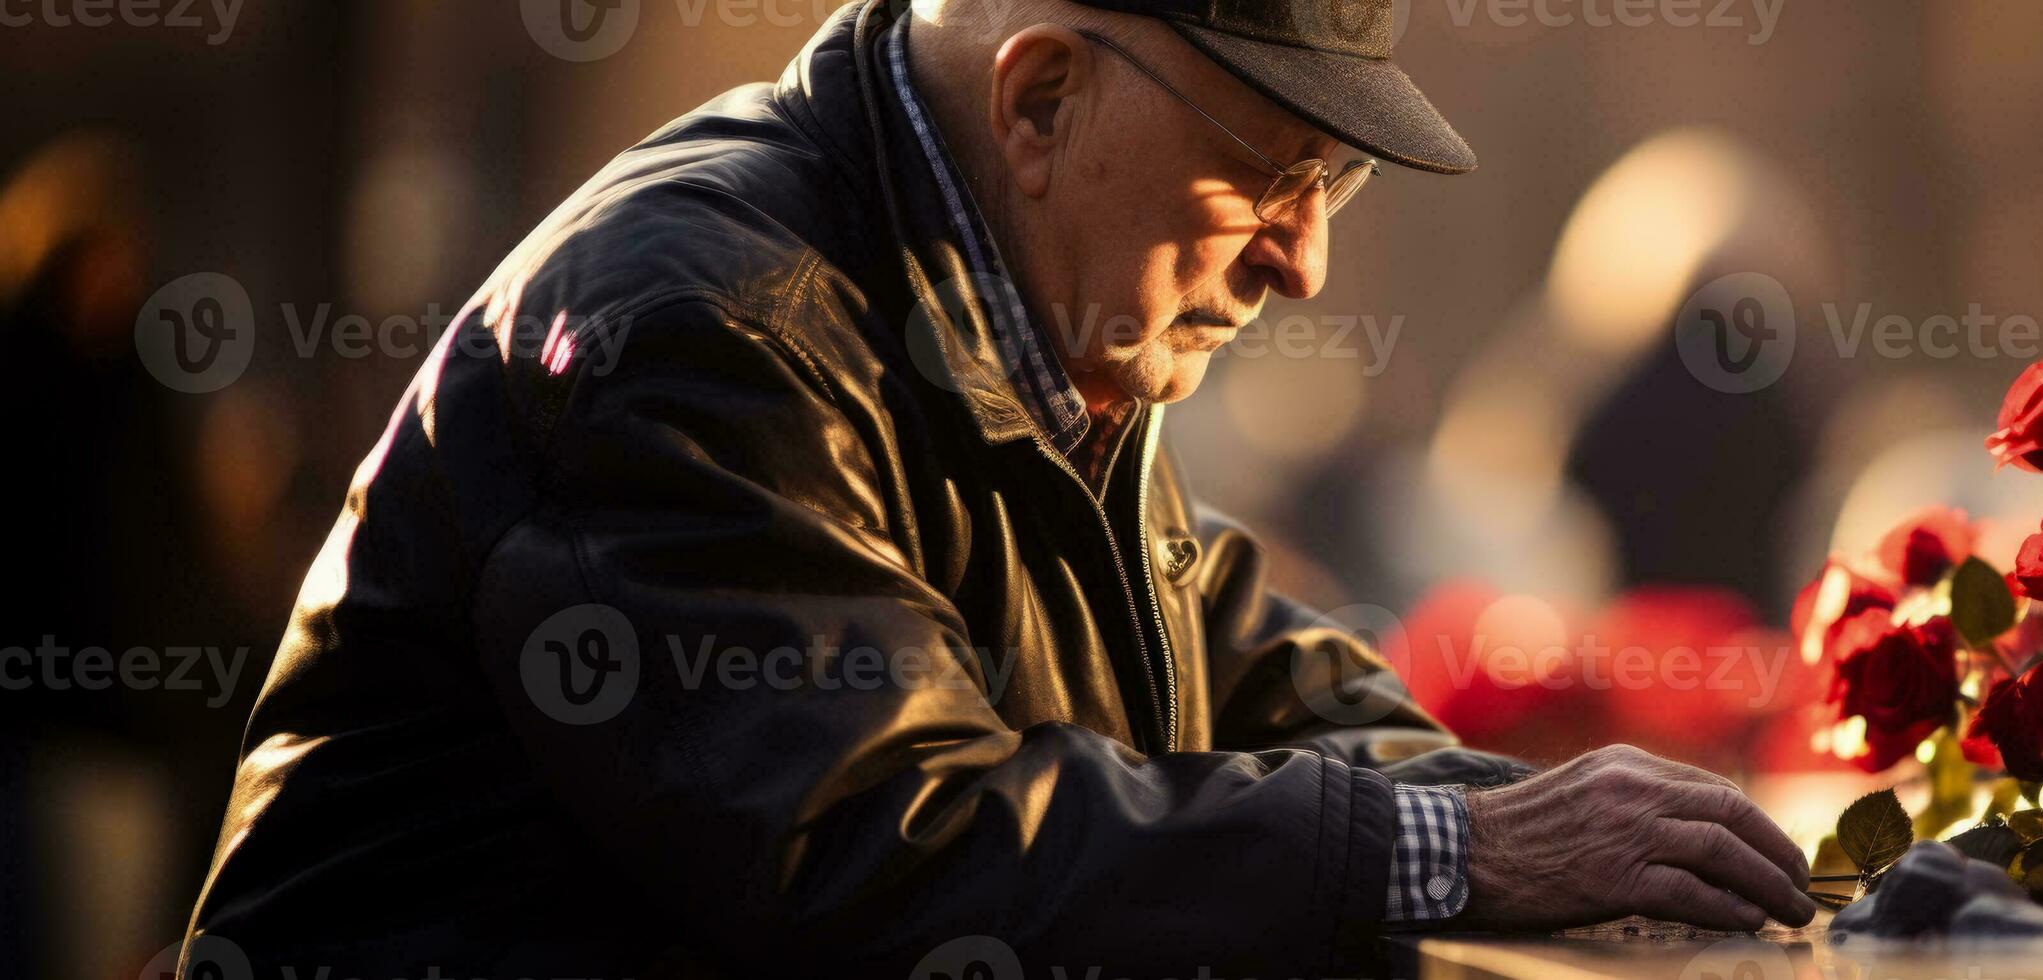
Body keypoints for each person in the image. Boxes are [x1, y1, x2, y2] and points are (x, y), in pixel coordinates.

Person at [179, 0, 1814, 976]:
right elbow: (886, 847)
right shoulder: (701, 324)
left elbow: (1253, 690)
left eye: (1338, 187)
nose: (1308, 262)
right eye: (1277, 175)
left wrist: (1593, 840)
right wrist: (1459, 858)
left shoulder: (1030, 322)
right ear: (1039, 101)